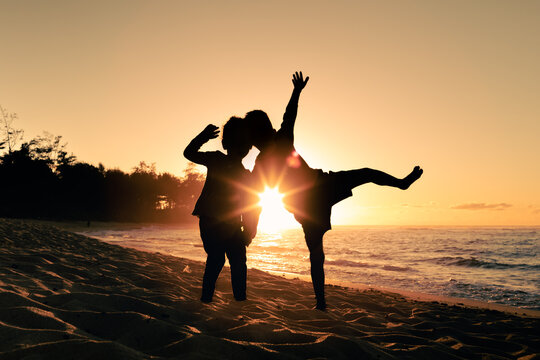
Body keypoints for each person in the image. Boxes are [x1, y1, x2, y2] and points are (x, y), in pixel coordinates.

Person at [246, 72, 423, 310]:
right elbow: (255, 196)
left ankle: (320, 302)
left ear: (258, 135)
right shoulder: (268, 153)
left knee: (317, 253)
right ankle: (320, 302)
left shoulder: (272, 148)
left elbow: (289, 116)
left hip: (311, 198)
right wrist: (296, 91)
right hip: (315, 195)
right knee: (365, 176)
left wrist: (297, 92)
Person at [183, 117, 255, 303]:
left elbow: (250, 205)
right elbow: (189, 153)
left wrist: (249, 230)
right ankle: (209, 298)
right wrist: (203, 137)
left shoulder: (244, 175)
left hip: (229, 225)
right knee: (218, 259)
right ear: (225, 144)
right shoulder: (216, 159)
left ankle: (238, 299)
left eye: (244, 143)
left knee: (237, 261)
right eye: (238, 143)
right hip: (210, 221)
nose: (242, 148)